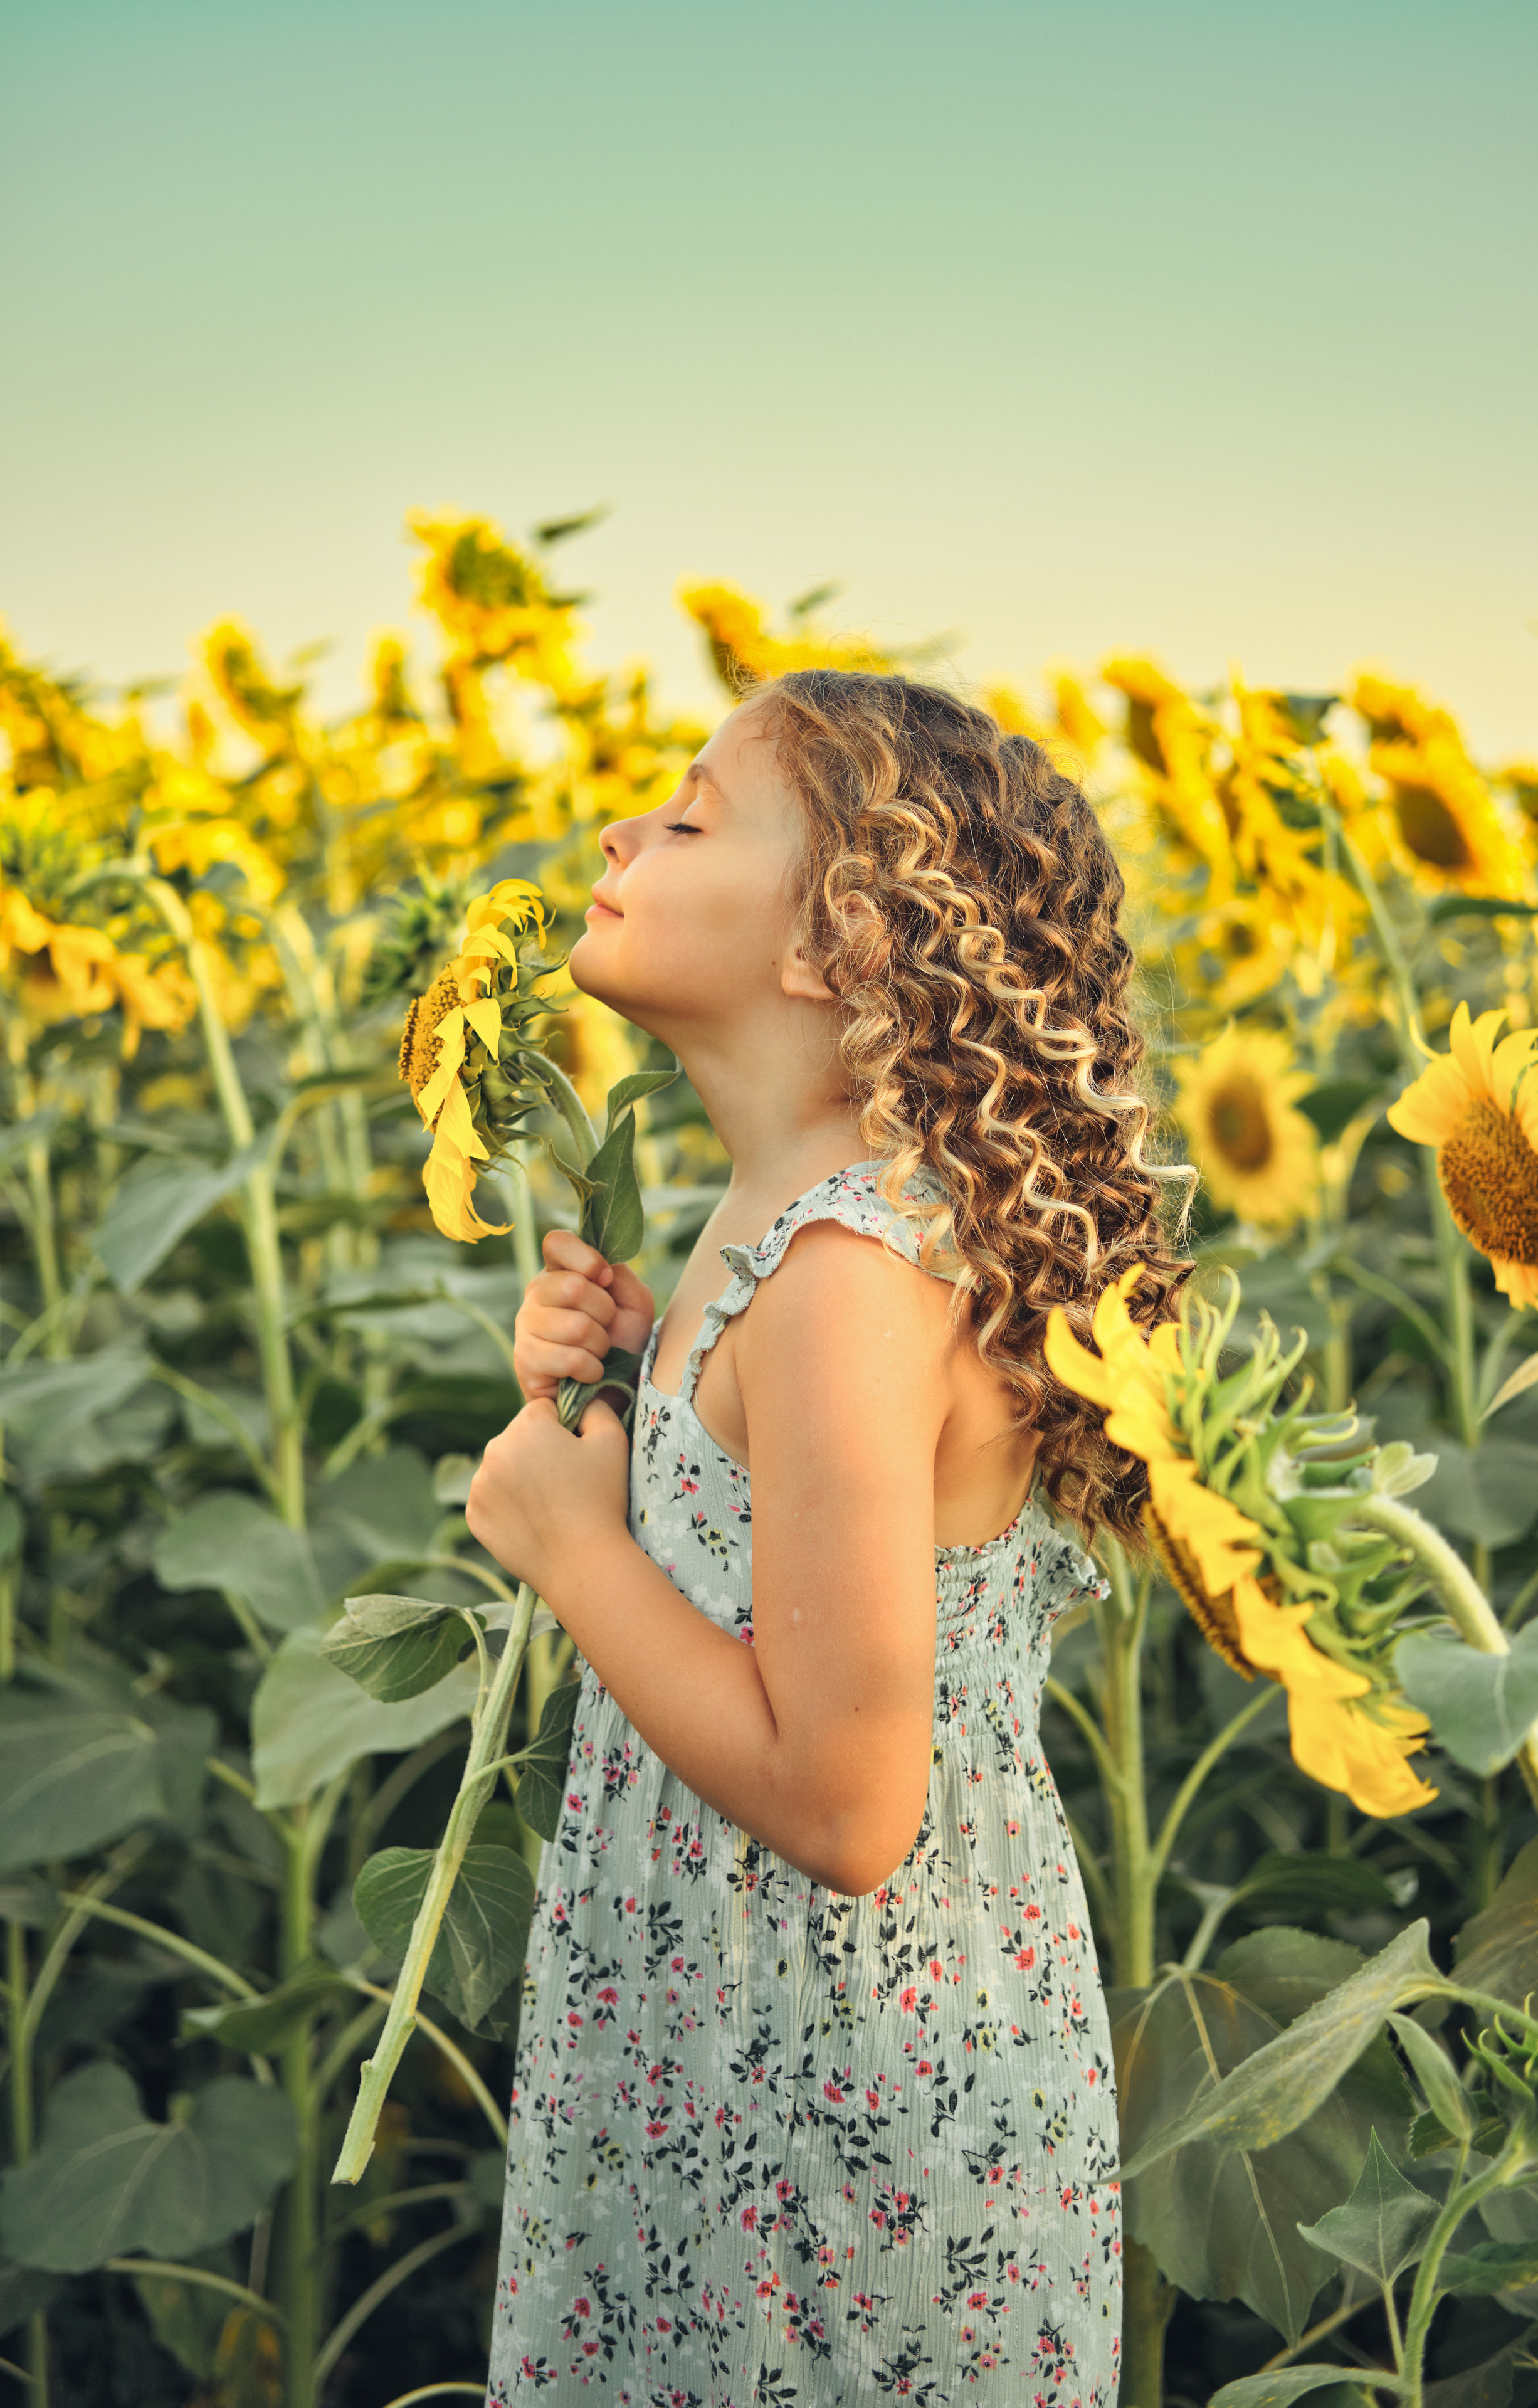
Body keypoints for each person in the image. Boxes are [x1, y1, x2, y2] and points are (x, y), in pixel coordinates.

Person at [466, 668, 1191, 2405]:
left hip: (844, 2120)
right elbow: (772, 1560)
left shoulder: (848, 1277)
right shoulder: (783, 1222)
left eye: (693, 816)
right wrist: (641, 1385)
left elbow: (851, 1808)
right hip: (739, 2056)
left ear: (836, 939)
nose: (621, 830)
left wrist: (575, 1553)